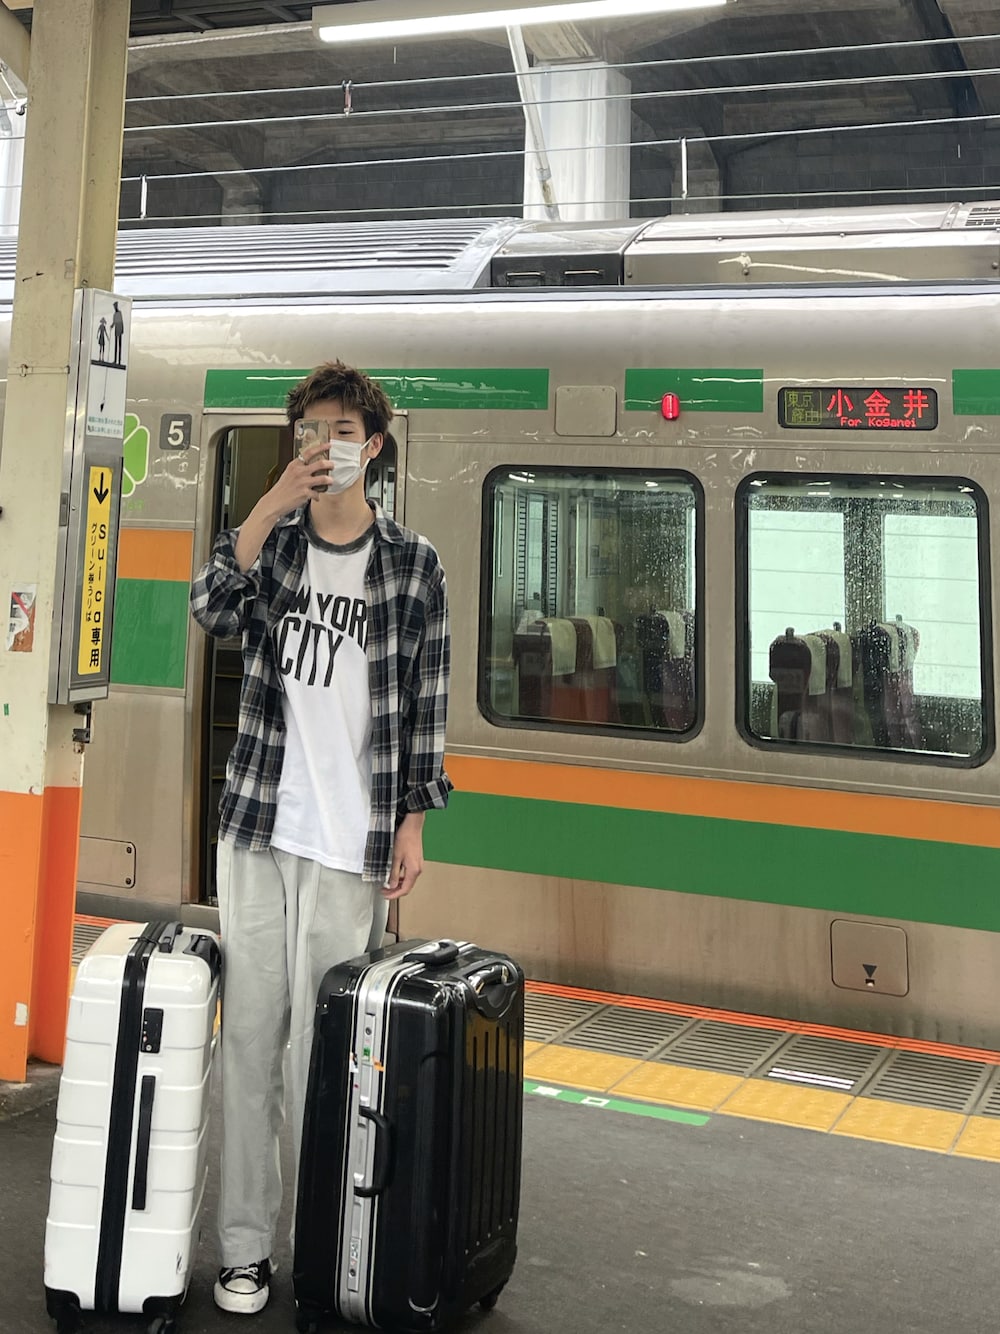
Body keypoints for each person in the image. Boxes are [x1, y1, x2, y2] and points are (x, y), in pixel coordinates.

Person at [190, 360, 452, 1316]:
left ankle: (322, 1250)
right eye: (309, 431)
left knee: (325, 1057)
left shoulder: (413, 566)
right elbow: (212, 607)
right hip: (259, 828)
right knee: (251, 1041)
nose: (324, 447)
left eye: (341, 432)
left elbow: (426, 703)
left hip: (353, 841)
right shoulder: (275, 549)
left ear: (373, 447)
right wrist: (265, 509)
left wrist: (414, 821)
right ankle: (245, 1249)